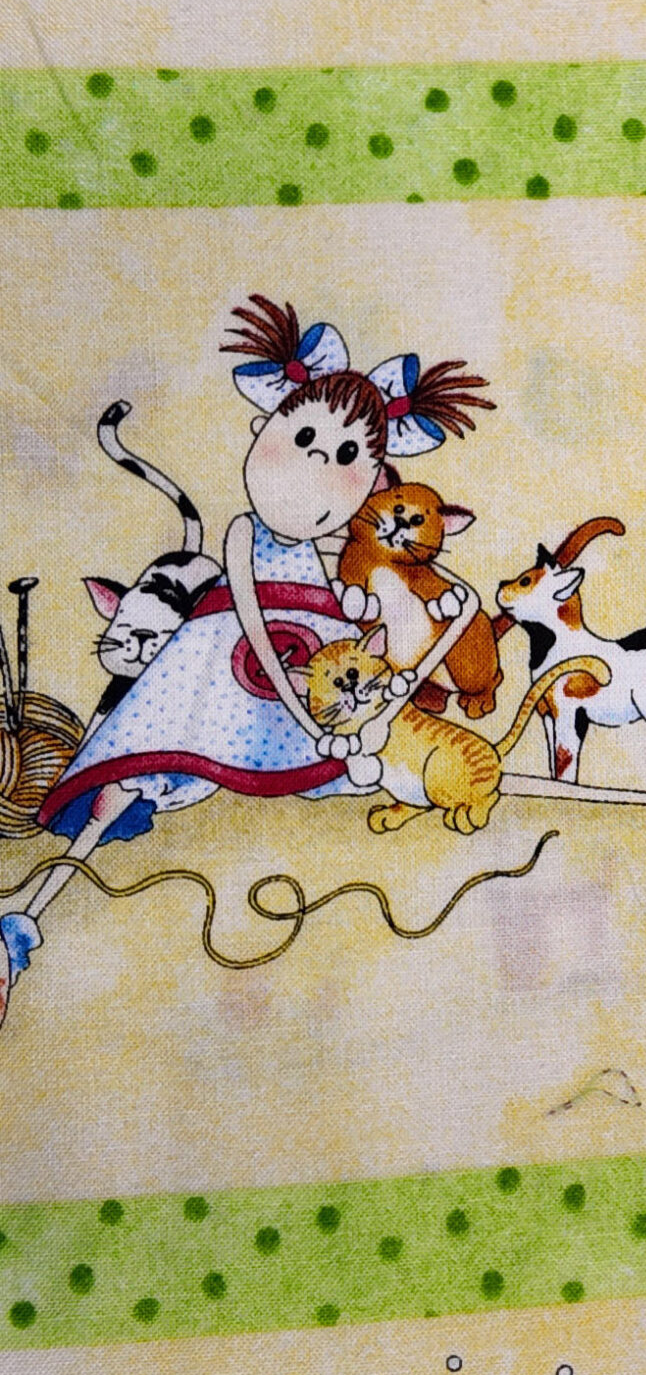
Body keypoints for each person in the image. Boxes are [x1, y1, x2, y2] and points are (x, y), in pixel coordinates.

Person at [0, 298, 491, 1029]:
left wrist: (426, 614)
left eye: (348, 458)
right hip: (217, 679)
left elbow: (377, 626)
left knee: (374, 771)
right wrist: (301, 706)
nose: (319, 464)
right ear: (265, 428)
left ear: (372, 484)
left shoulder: (340, 561)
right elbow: (256, 634)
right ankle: (26, 920)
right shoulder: (240, 535)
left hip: (310, 694)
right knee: (135, 777)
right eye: (305, 438)